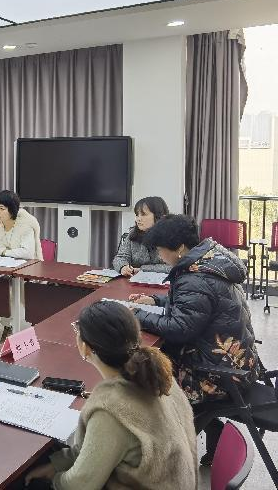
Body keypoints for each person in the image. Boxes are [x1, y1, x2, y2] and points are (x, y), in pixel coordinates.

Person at [24, 301, 197, 490]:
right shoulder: (159, 377)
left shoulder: (111, 409)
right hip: (176, 481)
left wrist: (53, 480)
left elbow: (79, 485)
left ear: (85, 348)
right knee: (52, 454)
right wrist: (56, 465)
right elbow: (96, 447)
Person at [130, 214, 259, 465]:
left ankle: (163, 455)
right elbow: (198, 303)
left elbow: (180, 327)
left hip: (218, 375)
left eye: (161, 250)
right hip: (239, 365)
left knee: (145, 372)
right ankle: (209, 431)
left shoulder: (196, 277)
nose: (159, 255)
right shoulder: (209, 261)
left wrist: (138, 316)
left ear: (179, 248)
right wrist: (155, 300)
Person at [0, 190, 42, 348]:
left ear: (13, 210)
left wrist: (0, 251)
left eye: (2, 208)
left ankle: (8, 327)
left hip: (22, 271)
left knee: (8, 289)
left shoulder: (26, 224)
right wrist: (4, 251)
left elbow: (27, 253)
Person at [112, 196, 172, 277]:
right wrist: (123, 267)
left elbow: (174, 267)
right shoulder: (133, 234)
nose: (138, 219)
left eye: (143, 214)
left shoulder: (171, 236)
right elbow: (120, 258)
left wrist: (142, 269)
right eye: (137, 215)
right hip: (134, 281)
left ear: (158, 216)